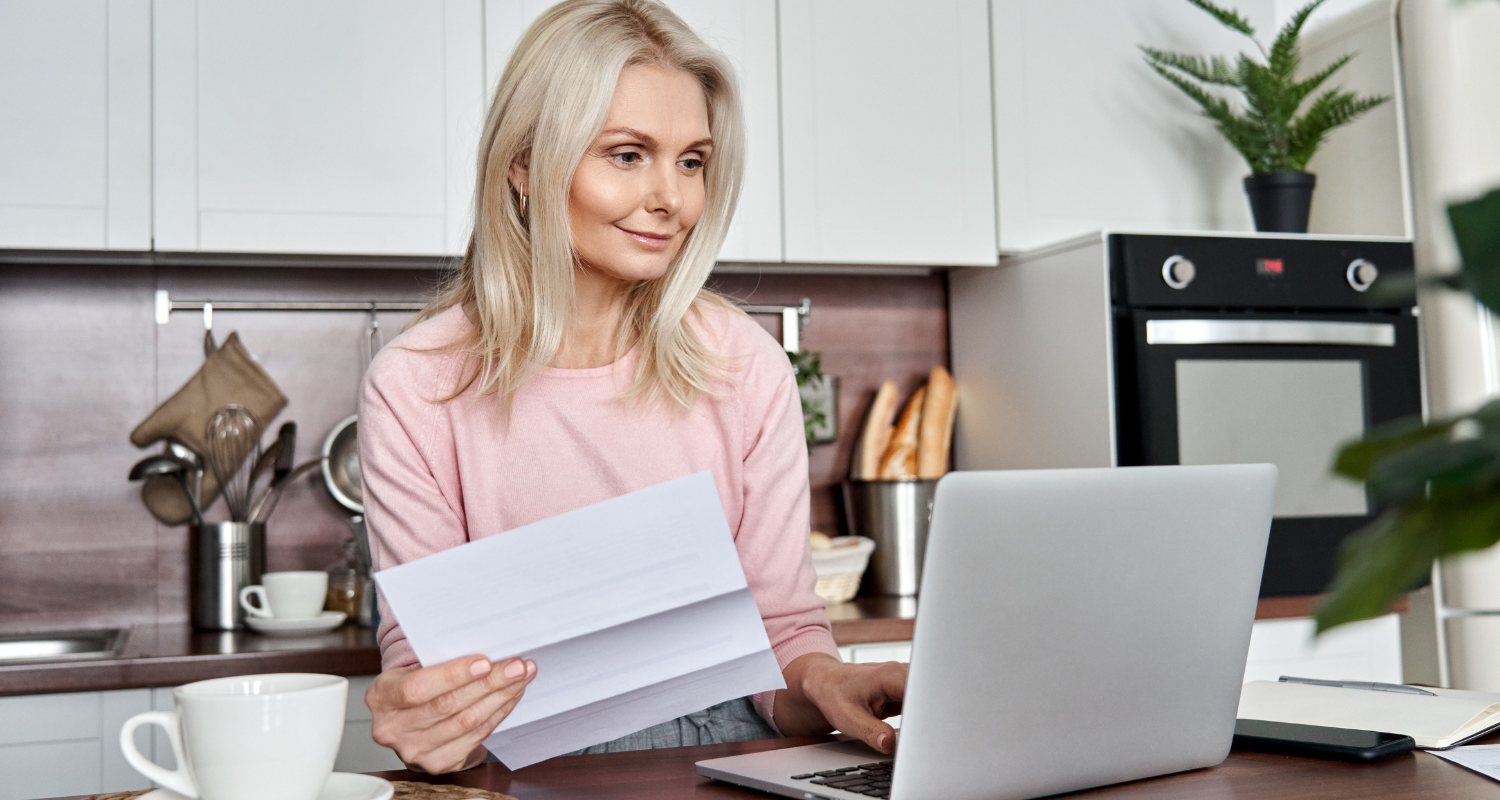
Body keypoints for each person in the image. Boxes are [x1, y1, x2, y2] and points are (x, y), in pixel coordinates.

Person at [358, 0, 907, 775]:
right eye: (627, 154)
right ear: (523, 163)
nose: (672, 200)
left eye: (691, 161)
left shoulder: (743, 366)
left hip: (729, 760)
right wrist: (429, 714)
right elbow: (427, 665)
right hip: (525, 772)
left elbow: (781, 634)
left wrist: (828, 680)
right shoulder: (418, 388)